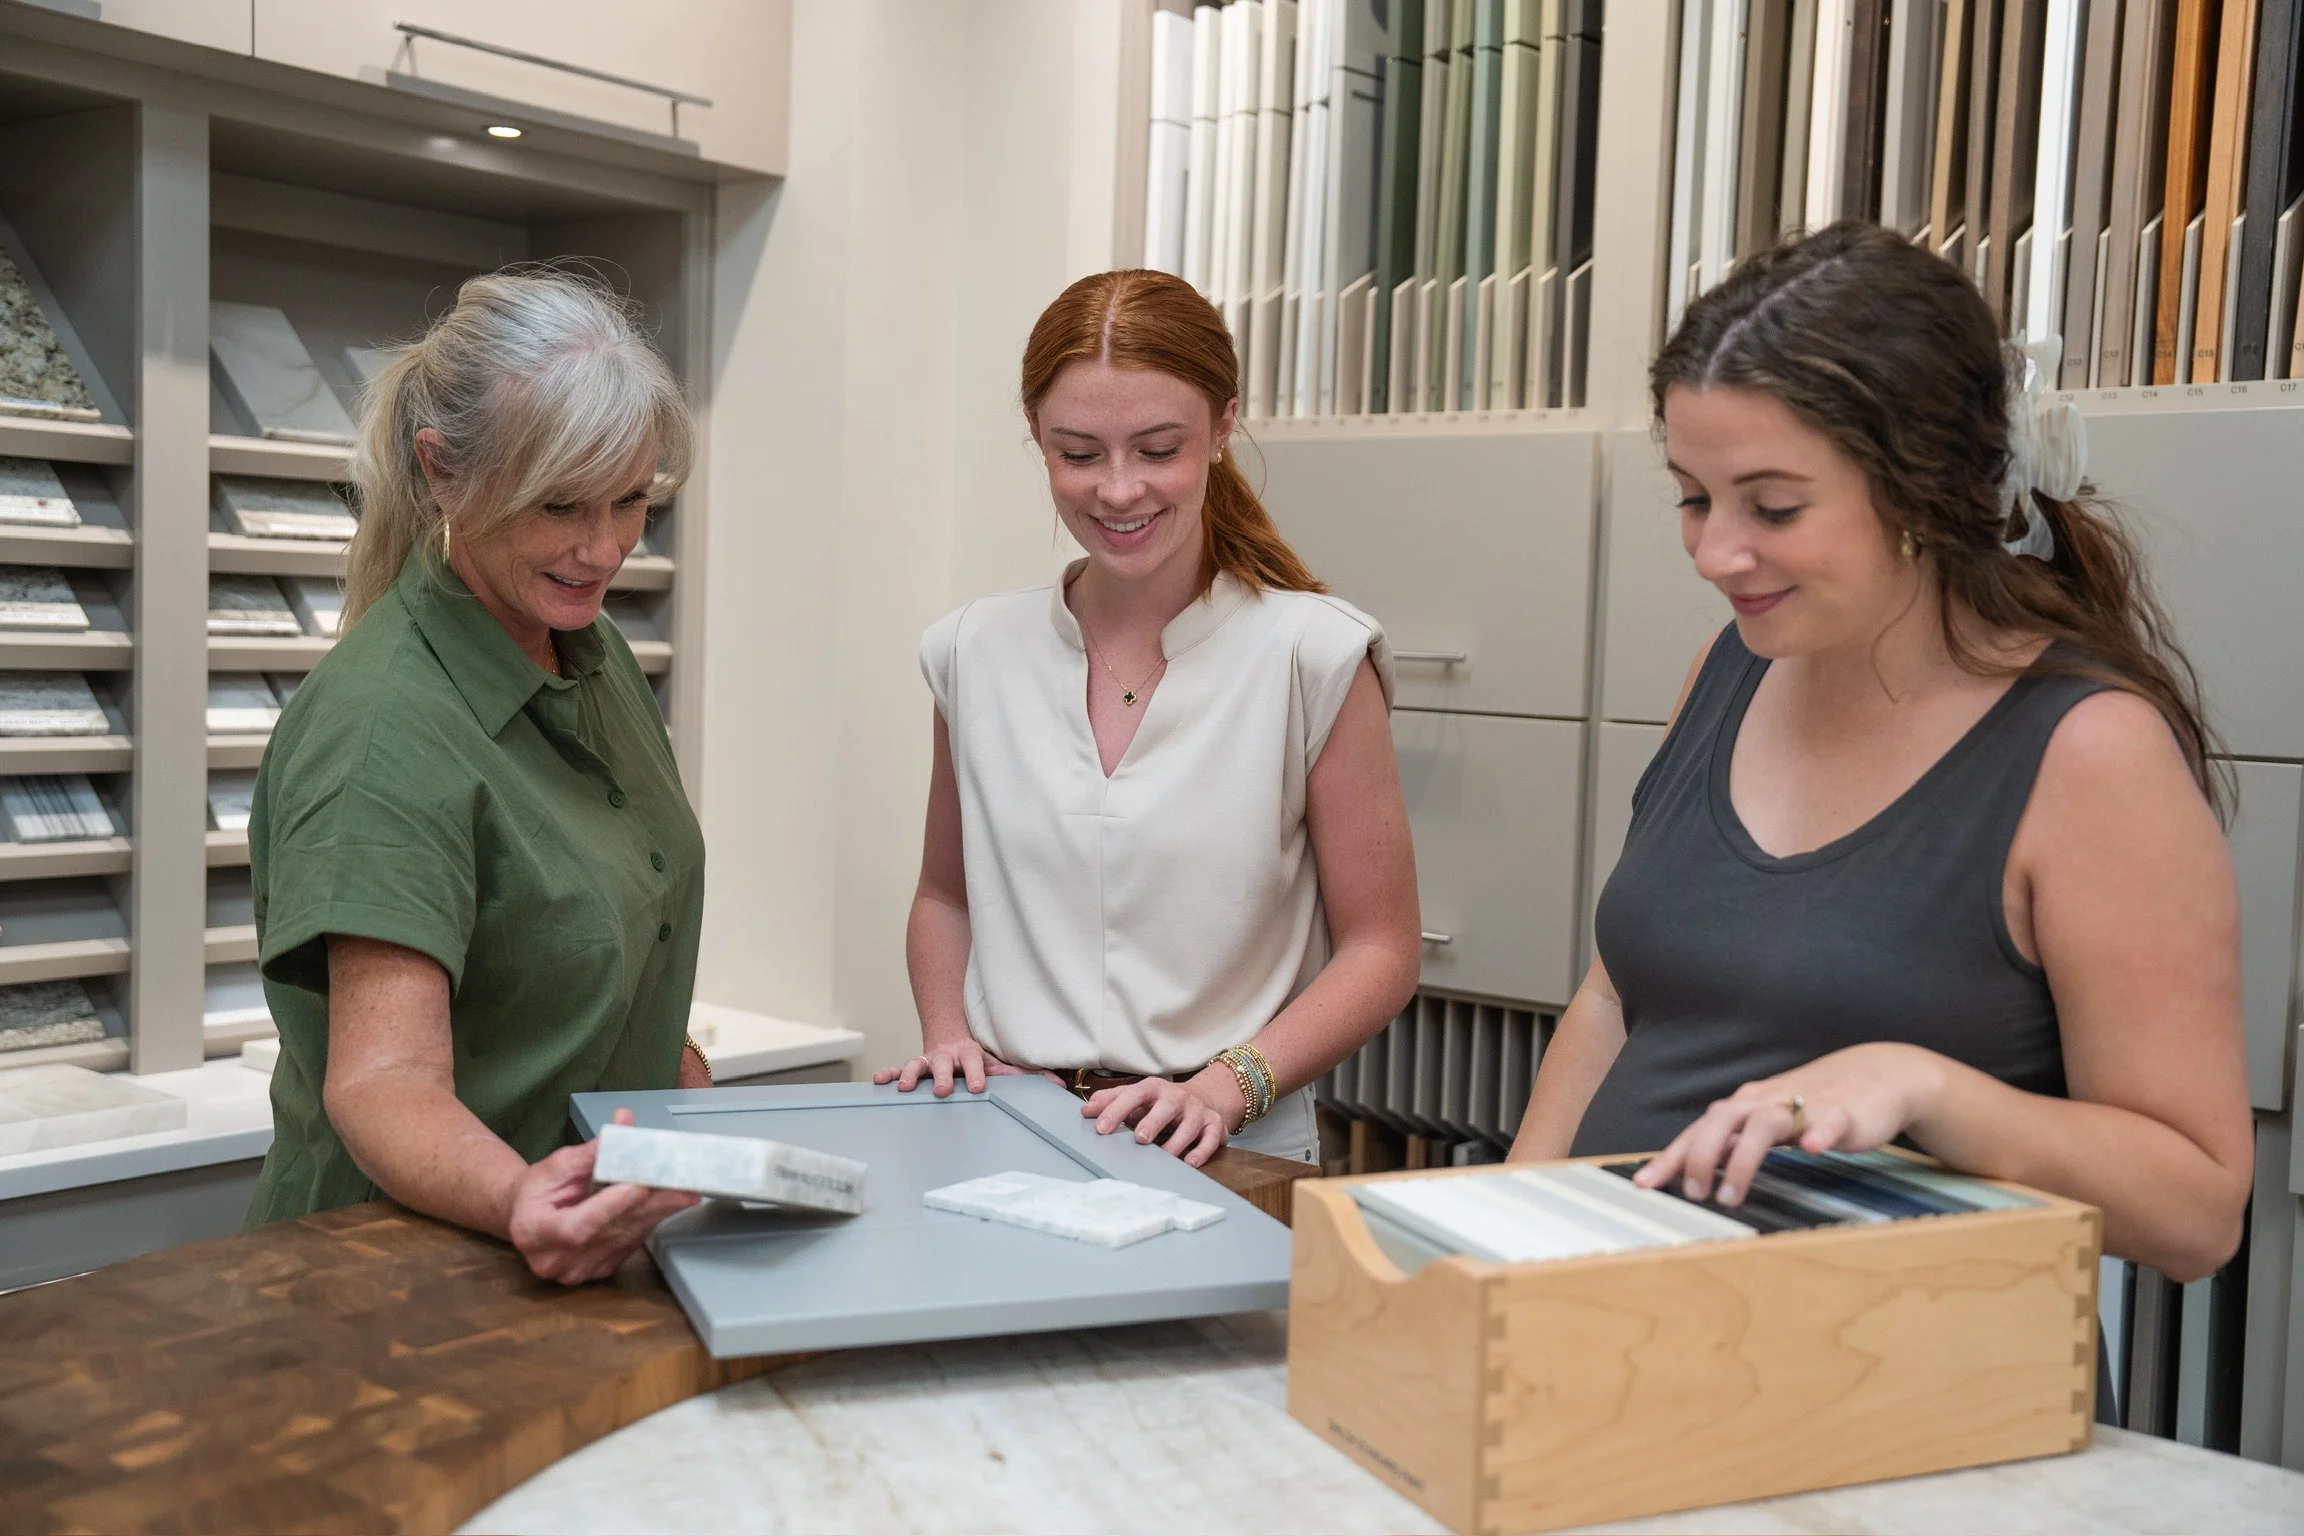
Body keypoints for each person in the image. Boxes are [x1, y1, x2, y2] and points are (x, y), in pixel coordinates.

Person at [1509, 223, 2251, 1292]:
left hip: (1897, 1364)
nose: (1715, 552)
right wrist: (1501, 1236)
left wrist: (1923, 1089)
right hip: (1626, 1327)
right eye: (1693, 496)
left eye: (1773, 507)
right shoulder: (1729, 670)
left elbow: (2197, 1211)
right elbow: (1616, 1000)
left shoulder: (2091, 752)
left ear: (1922, 490)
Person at [875, 269, 1422, 1166]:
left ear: (1223, 427)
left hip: (1230, 1146)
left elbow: (1381, 948)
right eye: (1080, 454)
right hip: (1007, 1130)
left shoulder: (1315, 655)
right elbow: (945, 893)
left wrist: (1225, 1089)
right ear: (1037, 438)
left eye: (1158, 449)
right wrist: (948, 1037)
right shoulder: (974, 651)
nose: (1119, 490)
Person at [245, 271, 708, 1284]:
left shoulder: (591, 654)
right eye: (560, 504)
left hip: (574, 1243)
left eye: (631, 499)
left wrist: (681, 1092)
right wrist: (520, 1199)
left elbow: (610, 951)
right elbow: (385, 1080)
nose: (604, 548)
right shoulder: (381, 728)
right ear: (443, 472)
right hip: (399, 1281)